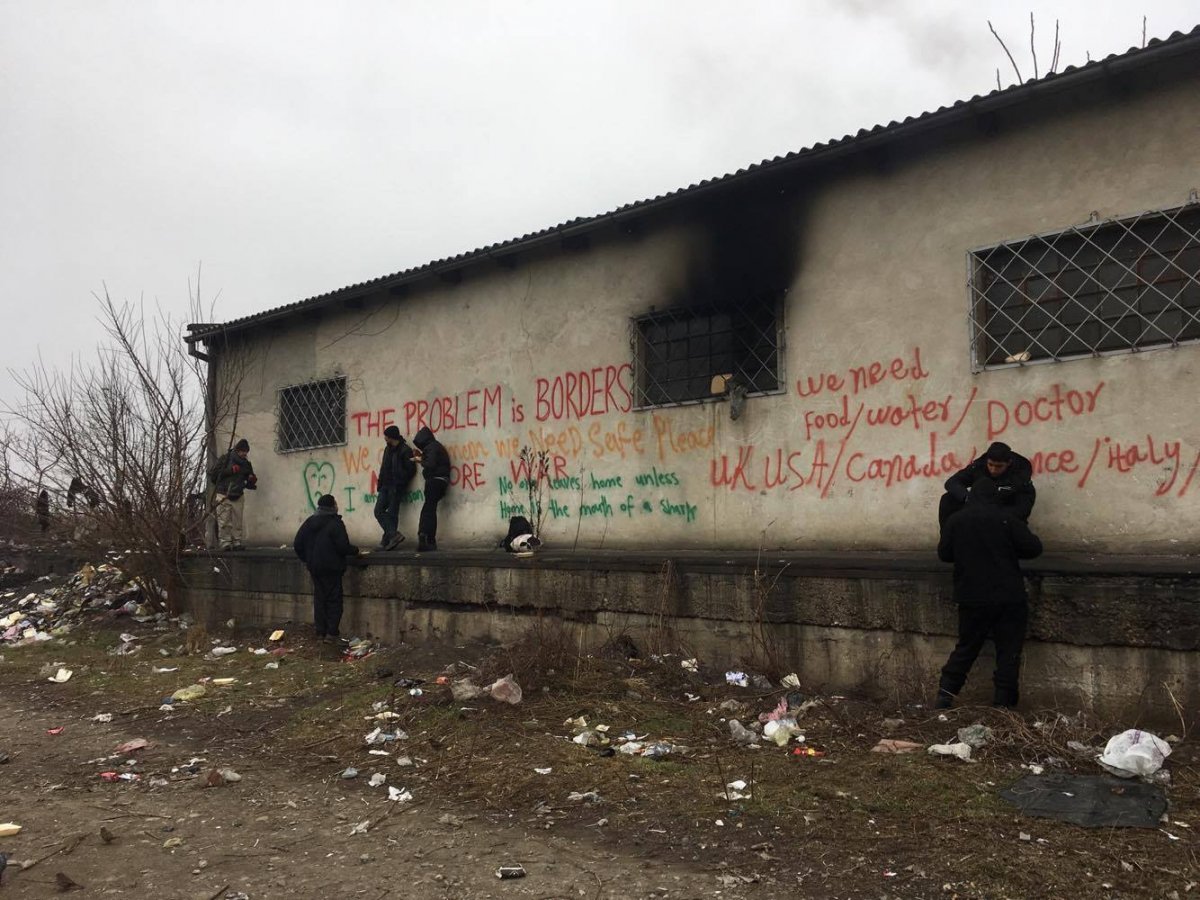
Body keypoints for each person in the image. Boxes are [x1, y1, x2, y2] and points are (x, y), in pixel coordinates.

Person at [935, 476, 1044, 710]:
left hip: (971, 595)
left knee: (966, 647)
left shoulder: (957, 520)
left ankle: (945, 694)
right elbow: (1034, 548)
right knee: (1008, 650)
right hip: (1008, 595)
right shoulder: (1007, 519)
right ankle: (1003, 704)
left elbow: (944, 554)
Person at [293, 493, 363, 643]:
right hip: (332, 568)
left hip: (315, 568)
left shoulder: (309, 522)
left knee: (320, 599)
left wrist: (307, 559)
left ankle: (320, 633)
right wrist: (356, 551)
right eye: (336, 503)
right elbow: (343, 546)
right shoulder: (335, 523)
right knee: (334, 600)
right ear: (332, 506)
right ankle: (331, 633)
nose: (337, 506)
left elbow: (297, 543)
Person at [939, 441, 1035, 526]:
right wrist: (967, 497)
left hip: (1005, 517)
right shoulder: (979, 467)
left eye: (999, 466)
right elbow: (952, 482)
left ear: (1009, 463)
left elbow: (1023, 508)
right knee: (948, 499)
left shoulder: (1020, 474)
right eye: (990, 464)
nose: (993, 470)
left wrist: (994, 514)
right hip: (977, 511)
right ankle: (948, 541)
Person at [208, 438, 257, 551]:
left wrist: (252, 480)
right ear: (237, 450)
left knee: (237, 521)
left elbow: (249, 481)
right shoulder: (225, 459)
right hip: (223, 494)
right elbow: (214, 476)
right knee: (224, 521)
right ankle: (225, 543)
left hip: (238, 494)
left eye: (246, 452)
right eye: (243, 451)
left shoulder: (246, 464)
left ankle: (237, 542)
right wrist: (229, 471)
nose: (245, 454)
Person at [374, 425, 416, 550]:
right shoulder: (387, 449)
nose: (385, 438)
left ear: (391, 437)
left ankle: (386, 541)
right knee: (378, 511)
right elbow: (384, 467)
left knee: (392, 514)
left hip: (396, 487)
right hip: (385, 486)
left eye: (386, 436)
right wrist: (380, 483)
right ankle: (394, 535)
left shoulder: (405, 450)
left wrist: (400, 481)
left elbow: (411, 470)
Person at [412, 426, 450, 552]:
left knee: (428, 508)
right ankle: (427, 537)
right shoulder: (435, 446)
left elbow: (431, 464)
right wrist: (423, 457)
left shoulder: (432, 447)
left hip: (435, 480)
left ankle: (426, 536)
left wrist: (420, 460)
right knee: (429, 508)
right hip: (439, 481)